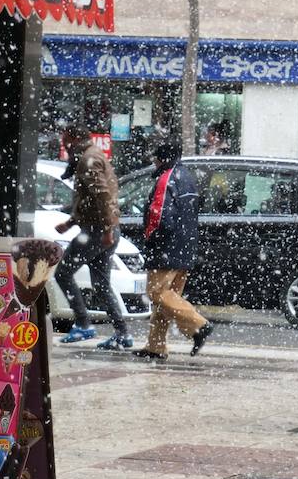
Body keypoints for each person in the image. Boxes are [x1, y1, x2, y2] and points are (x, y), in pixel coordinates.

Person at [54, 123, 133, 349]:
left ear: (74, 138)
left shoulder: (88, 159)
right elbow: (90, 200)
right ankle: (122, 333)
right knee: (101, 284)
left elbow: (102, 196)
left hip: (98, 232)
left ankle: (83, 323)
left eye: (65, 140)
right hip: (103, 230)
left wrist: (107, 230)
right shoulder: (93, 155)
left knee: (63, 273)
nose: (64, 145)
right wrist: (70, 223)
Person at [133, 143, 213, 360]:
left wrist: (150, 237)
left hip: (167, 247)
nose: (154, 163)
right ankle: (155, 346)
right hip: (186, 245)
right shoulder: (186, 176)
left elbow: (159, 216)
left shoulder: (166, 178)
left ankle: (199, 325)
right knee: (168, 298)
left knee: (157, 293)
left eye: (156, 158)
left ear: (162, 159)